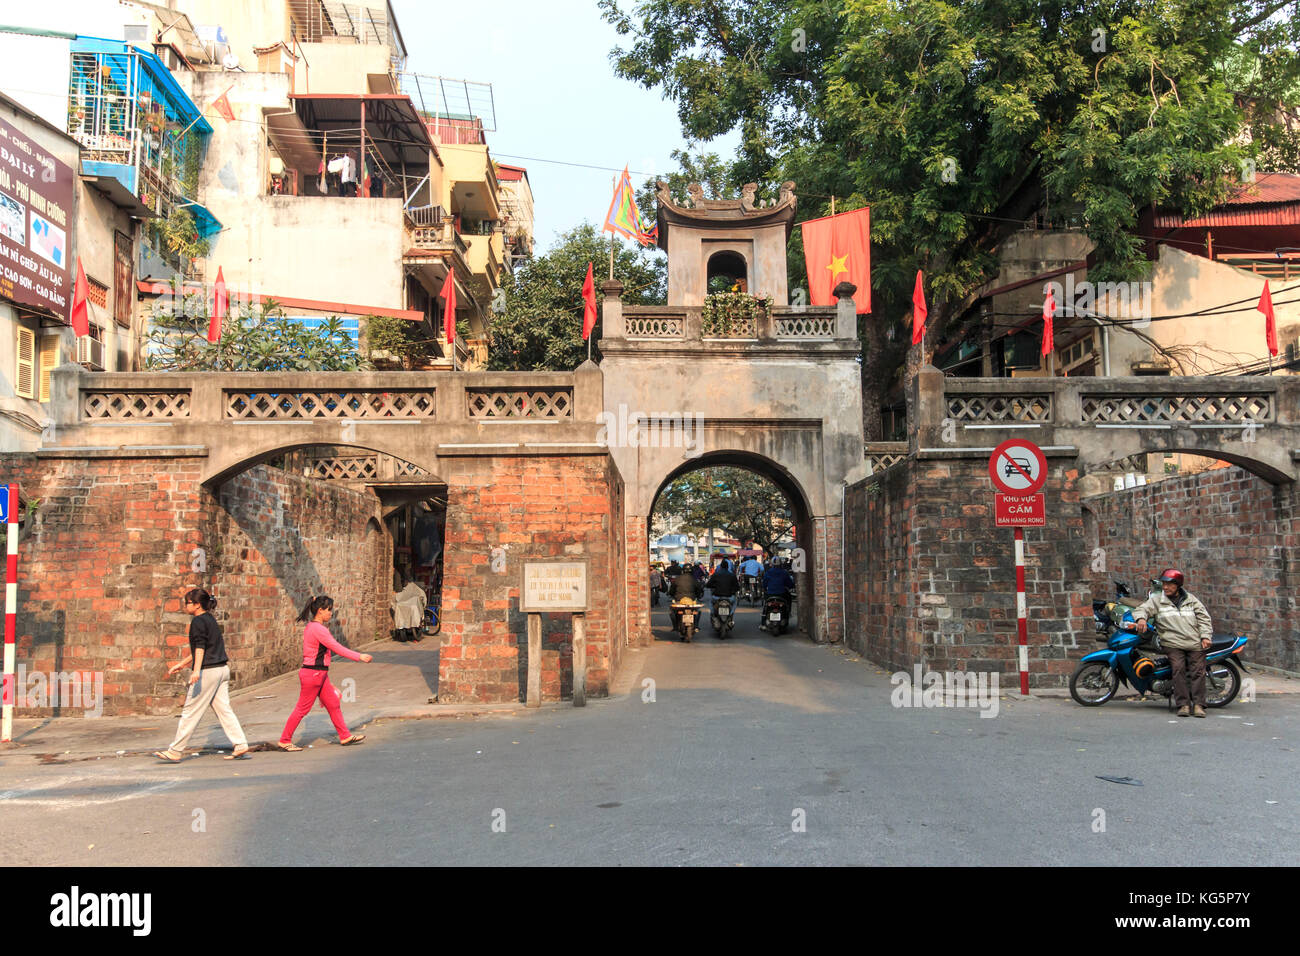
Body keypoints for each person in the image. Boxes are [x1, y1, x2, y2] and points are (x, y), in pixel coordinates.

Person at [154, 588, 249, 762]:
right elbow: (203, 647)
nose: (185, 606)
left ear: (197, 605)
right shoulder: (210, 619)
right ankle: (240, 744)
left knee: (191, 711)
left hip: (208, 672)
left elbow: (200, 648)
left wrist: (196, 670)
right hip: (222, 670)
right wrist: (182, 664)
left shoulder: (198, 621)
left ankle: (175, 750)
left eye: (188, 602)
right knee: (224, 710)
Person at [278, 596, 374, 750]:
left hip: (319, 675)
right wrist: (359, 656)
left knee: (333, 703)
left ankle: (345, 736)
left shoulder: (313, 627)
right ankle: (284, 740)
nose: (331, 613)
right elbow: (337, 648)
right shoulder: (318, 629)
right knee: (302, 709)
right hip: (313, 675)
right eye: (329, 610)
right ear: (320, 611)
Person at [1133, 569, 1213, 717]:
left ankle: (1198, 705)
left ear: (1178, 585)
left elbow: (1204, 619)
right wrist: (1141, 619)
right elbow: (1142, 609)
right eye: (1164, 584)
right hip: (1172, 643)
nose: (1165, 587)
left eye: (1169, 584)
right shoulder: (1157, 600)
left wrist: (1205, 636)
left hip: (1194, 642)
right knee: (1178, 669)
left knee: (1198, 672)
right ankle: (1183, 705)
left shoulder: (1191, 599)